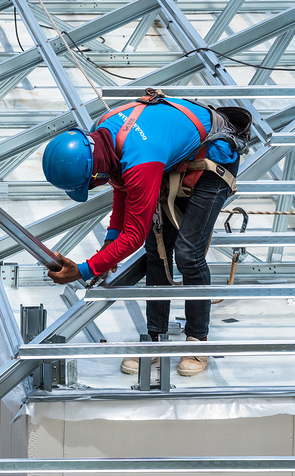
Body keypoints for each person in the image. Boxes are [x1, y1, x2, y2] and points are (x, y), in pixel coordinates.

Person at [42, 89, 249, 377]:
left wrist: (84, 270)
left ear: (94, 174)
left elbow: (133, 235)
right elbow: (121, 188)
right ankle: (155, 339)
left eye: (89, 185)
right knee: (158, 249)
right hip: (177, 158)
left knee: (187, 253)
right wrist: (108, 247)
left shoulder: (141, 161)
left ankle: (197, 340)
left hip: (215, 160)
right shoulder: (101, 133)